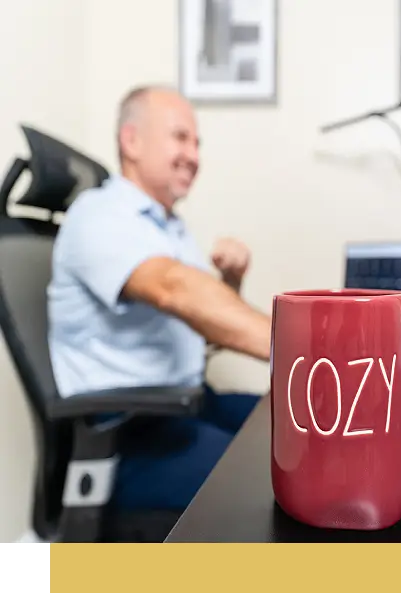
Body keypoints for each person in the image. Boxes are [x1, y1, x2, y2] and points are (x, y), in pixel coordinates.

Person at [47, 84, 272, 511]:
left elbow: (202, 324)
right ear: (131, 141)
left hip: (187, 405)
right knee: (272, 481)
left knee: (297, 433)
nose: (194, 154)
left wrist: (229, 282)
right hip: (130, 435)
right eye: (180, 137)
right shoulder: (99, 215)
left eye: (198, 143)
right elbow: (174, 289)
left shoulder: (168, 227)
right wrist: (309, 353)